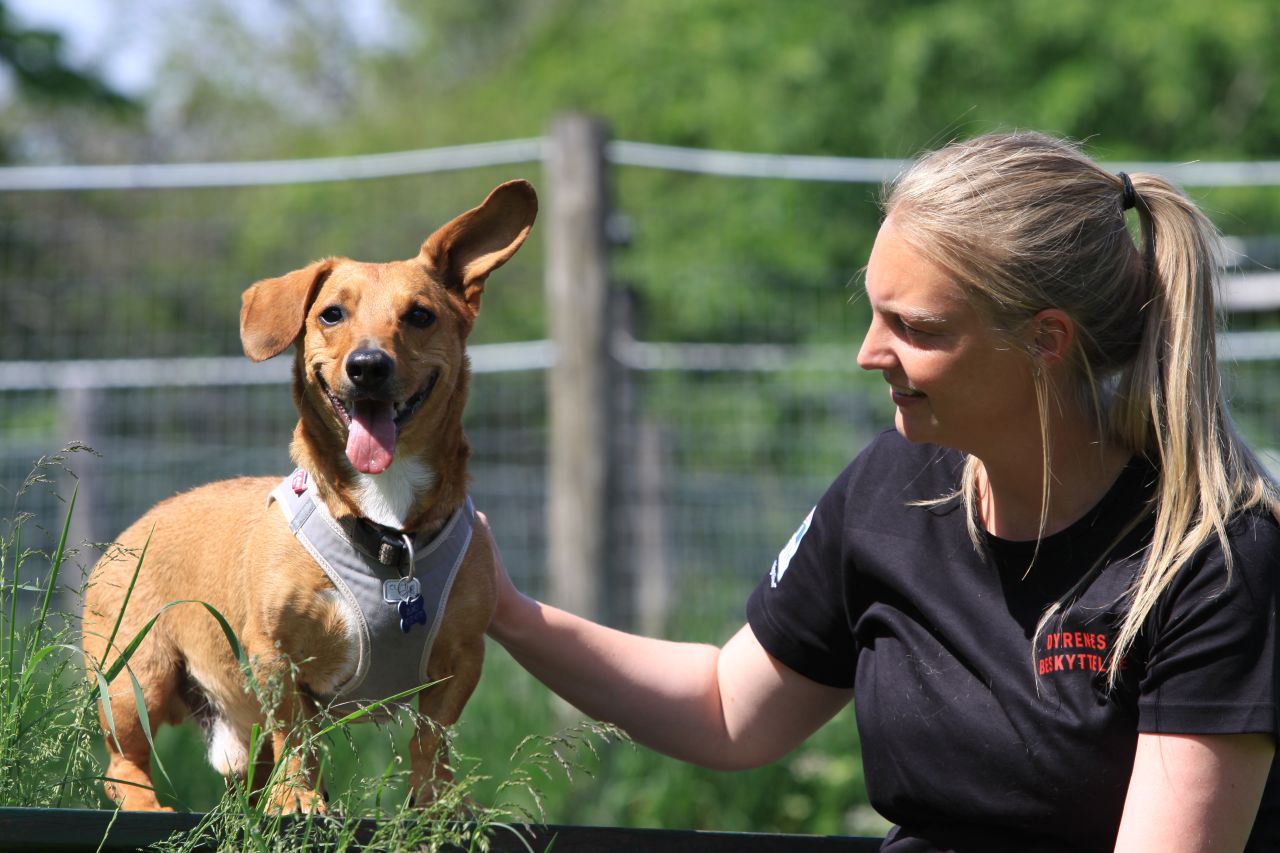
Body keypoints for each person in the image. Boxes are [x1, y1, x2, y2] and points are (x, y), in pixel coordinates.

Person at [484, 131, 1280, 852]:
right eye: (873, 312)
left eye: (918, 328)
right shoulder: (891, 487)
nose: (869, 353)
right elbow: (726, 706)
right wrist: (503, 609)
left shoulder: (1211, 558)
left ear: (1045, 339)